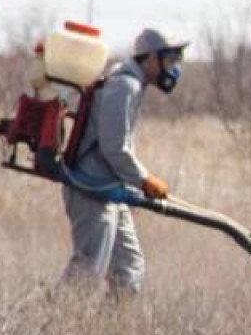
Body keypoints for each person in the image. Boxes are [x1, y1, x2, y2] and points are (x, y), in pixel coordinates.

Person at [61, 27, 185, 294]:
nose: (173, 69)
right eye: (169, 60)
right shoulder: (124, 86)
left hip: (109, 191)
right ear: (151, 58)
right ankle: (40, 328)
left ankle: (109, 333)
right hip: (90, 187)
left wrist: (131, 189)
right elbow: (114, 148)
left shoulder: (133, 85)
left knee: (129, 271)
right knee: (87, 272)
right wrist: (143, 180)